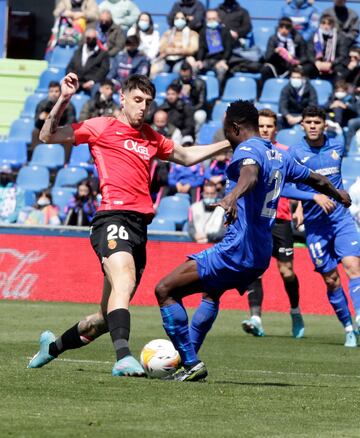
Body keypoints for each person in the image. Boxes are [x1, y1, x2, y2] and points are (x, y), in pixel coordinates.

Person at [27, 72, 231, 377]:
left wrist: (231, 141)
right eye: (137, 100)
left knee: (104, 317)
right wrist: (63, 100)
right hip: (111, 217)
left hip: (139, 228)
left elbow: (187, 156)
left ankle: (51, 347)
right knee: (123, 279)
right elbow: (47, 136)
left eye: (147, 102)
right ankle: (123, 356)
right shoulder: (101, 126)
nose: (142, 107)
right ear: (122, 98)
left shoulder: (150, 136)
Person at [154, 100, 351, 381]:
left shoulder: (248, 149)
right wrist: (337, 193)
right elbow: (314, 178)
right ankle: (187, 366)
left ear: (234, 127)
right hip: (260, 253)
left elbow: (250, 173)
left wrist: (232, 197)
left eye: (226, 129)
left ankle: (189, 361)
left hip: (237, 247)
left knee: (164, 290)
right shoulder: (278, 155)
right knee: (211, 292)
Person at [241, 108, 335, 338]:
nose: (264, 129)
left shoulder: (285, 153)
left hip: (280, 218)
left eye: (269, 126)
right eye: (261, 125)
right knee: (255, 270)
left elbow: (300, 182)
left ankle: (294, 311)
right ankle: (256, 319)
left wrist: (301, 205)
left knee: (287, 272)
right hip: (256, 221)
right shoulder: (249, 151)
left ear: (276, 129)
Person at [289, 106, 360, 347]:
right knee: (331, 280)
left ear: (323, 125)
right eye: (307, 122)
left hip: (341, 219)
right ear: (302, 125)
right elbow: (289, 186)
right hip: (315, 225)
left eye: (316, 122)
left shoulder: (337, 147)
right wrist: (305, 204)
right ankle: (349, 328)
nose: (312, 126)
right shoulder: (296, 153)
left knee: (353, 266)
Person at [261, 17, 313, 82]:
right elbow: (267, 57)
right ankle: (266, 89)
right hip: (278, 65)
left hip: (293, 66)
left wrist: (298, 61)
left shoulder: (297, 38)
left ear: (291, 28)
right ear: (278, 27)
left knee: (309, 67)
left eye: (287, 27)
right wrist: (275, 52)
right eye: (281, 27)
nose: (284, 30)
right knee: (265, 69)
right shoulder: (273, 39)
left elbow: (304, 55)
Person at [31, 81, 76, 152]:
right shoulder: (42, 105)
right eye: (51, 91)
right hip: (46, 132)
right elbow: (37, 125)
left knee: (70, 134)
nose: (53, 94)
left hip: (62, 131)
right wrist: (40, 119)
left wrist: (58, 129)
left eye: (56, 91)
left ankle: (65, 161)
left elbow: (71, 122)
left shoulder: (68, 105)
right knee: (35, 132)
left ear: (60, 92)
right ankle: (35, 157)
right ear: (48, 92)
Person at [196, 9, 233, 92]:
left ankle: (217, 95)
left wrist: (224, 60)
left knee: (221, 71)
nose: (211, 21)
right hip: (207, 60)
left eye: (214, 19)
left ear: (218, 19)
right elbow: (201, 48)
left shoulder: (225, 31)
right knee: (194, 69)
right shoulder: (203, 32)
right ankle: (196, 93)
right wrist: (199, 60)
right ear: (206, 20)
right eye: (209, 19)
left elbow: (228, 49)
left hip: (220, 60)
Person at [66, 27, 110, 95]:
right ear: (85, 38)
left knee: (97, 89)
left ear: (97, 39)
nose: (91, 40)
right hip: (77, 81)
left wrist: (93, 81)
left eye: (94, 38)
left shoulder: (103, 54)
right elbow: (70, 67)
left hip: (92, 83)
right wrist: (74, 80)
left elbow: (104, 70)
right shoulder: (78, 51)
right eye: (89, 38)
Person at [309, 13, 348, 81]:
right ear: (320, 24)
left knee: (340, 70)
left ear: (332, 25)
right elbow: (309, 53)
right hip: (318, 63)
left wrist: (331, 63)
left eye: (328, 24)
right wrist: (316, 62)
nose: (326, 26)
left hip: (333, 63)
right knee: (306, 69)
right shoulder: (315, 36)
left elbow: (342, 55)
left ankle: (338, 90)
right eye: (323, 23)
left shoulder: (339, 37)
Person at [170, 62, 207, 134]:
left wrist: (193, 91)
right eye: (183, 76)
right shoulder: (175, 82)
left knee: (200, 115)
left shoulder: (200, 83)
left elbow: (202, 102)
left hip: (195, 108)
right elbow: (171, 100)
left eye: (186, 76)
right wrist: (181, 95)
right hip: (180, 108)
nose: (184, 78)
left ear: (191, 73)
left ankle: (196, 136)